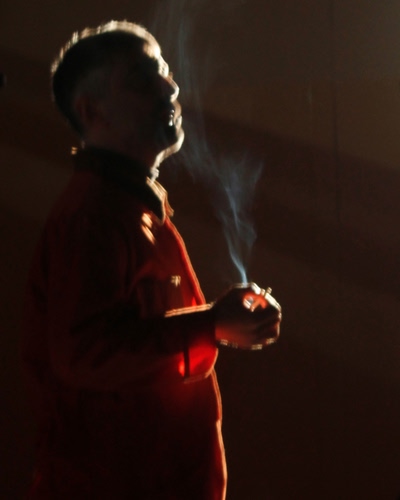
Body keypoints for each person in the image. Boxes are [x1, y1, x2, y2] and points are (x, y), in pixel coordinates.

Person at [22, 20, 282, 500]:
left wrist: (216, 324)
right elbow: (85, 353)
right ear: (92, 111)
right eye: (143, 80)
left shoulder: (133, 209)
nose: (170, 88)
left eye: (165, 72)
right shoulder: (93, 216)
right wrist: (210, 325)